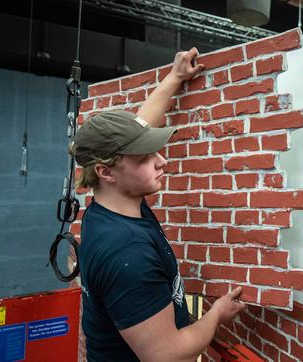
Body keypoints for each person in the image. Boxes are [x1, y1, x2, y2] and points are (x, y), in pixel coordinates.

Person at [73, 48, 245, 361]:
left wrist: (174, 77)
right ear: (105, 171)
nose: (162, 161)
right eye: (146, 157)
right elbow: (166, 355)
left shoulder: (109, 202)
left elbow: (140, 127)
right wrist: (216, 314)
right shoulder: (127, 254)